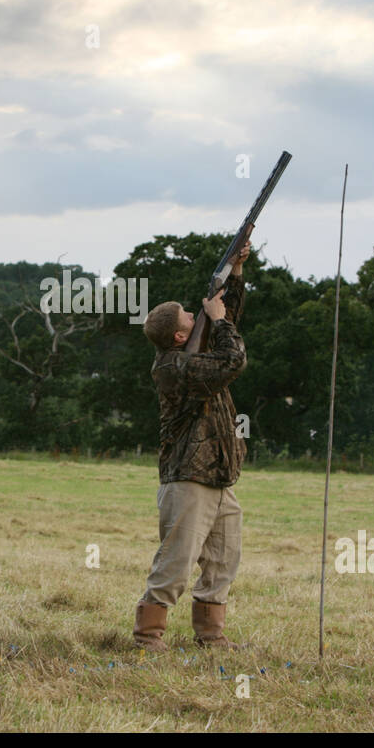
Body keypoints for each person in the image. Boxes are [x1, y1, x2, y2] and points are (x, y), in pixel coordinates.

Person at [133, 242, 251, 651]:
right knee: (176, 564)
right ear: (181, 335)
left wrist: (234, 273)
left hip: (219, 477)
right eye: (190, 316)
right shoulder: (173, 367)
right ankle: (148, 637)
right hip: (188, 480)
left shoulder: (190, 356)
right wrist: (218, 321)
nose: (195, 314)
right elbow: (233, 358)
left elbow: (226, 321)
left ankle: (211, 635)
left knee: (222, 561)